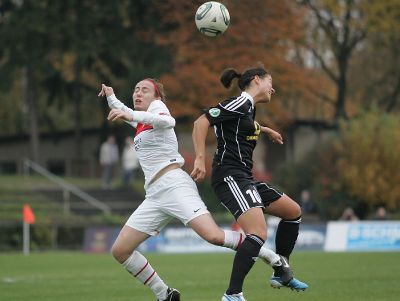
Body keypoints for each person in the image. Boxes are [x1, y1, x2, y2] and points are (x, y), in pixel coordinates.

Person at [98, 79, 292, 301]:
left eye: (144, 90)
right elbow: (126, 112)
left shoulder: (157, 109)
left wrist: (130, 115)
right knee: (120, 251)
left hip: (174, 185)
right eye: (135, 89)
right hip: (154, 195)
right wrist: (112, 97)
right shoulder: (142, 122)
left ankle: (272, 257)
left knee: (214, 236)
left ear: (157, 97)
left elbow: (167, 121)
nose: (138, 93)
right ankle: (165, 295)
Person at [191, 66, 309, 301]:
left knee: (293, 211)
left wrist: (265, 130)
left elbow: (242, 125)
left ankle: (281, 270)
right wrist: (200, 159)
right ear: (256, 80)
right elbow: (200, 122)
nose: (272, 88)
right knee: (257, 233)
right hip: (229, 175)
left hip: (245, 176)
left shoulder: (248, 109)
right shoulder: (239, 103)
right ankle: (232, 294)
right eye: (270, 82)